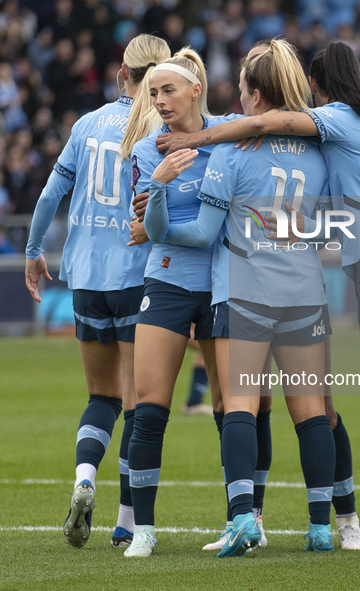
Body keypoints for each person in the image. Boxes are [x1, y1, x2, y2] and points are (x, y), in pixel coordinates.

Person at [157, 40, 360, 552]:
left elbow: (260, 124)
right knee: (340, 404)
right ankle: (353, 520)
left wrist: (201, 136)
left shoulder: (336, 119)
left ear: (316, 85)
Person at [143, 39, 341, 557]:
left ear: (252, 95)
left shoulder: (231, 151)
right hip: (304, 293)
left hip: (245, 294)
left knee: (240, 407)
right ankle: (321, 526)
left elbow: (201, 234)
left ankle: (242, 520)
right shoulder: (321, 148)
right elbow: (330, 227)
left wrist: (158, 210)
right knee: (311, 412)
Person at [24, 34, 171, 549]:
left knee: (100, 397)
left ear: (120, 76)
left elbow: (50, 193)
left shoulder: (86, 126)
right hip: (137, 276)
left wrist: (32, 250)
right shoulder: (163, 126)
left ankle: (85, 477)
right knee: (137, 403)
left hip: (85, 278)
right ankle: (128, 522)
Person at [121, 47, 243, 559]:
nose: (160, 101)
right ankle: (143, 529)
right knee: (150, 408)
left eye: (168, 90)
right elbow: (150, 232)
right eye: (152, 93)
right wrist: (159, 182)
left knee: (233, 410)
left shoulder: (230, 138)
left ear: (196, 89)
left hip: (225, 286)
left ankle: (243, 519)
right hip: (168, 283)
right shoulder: (149, 152)